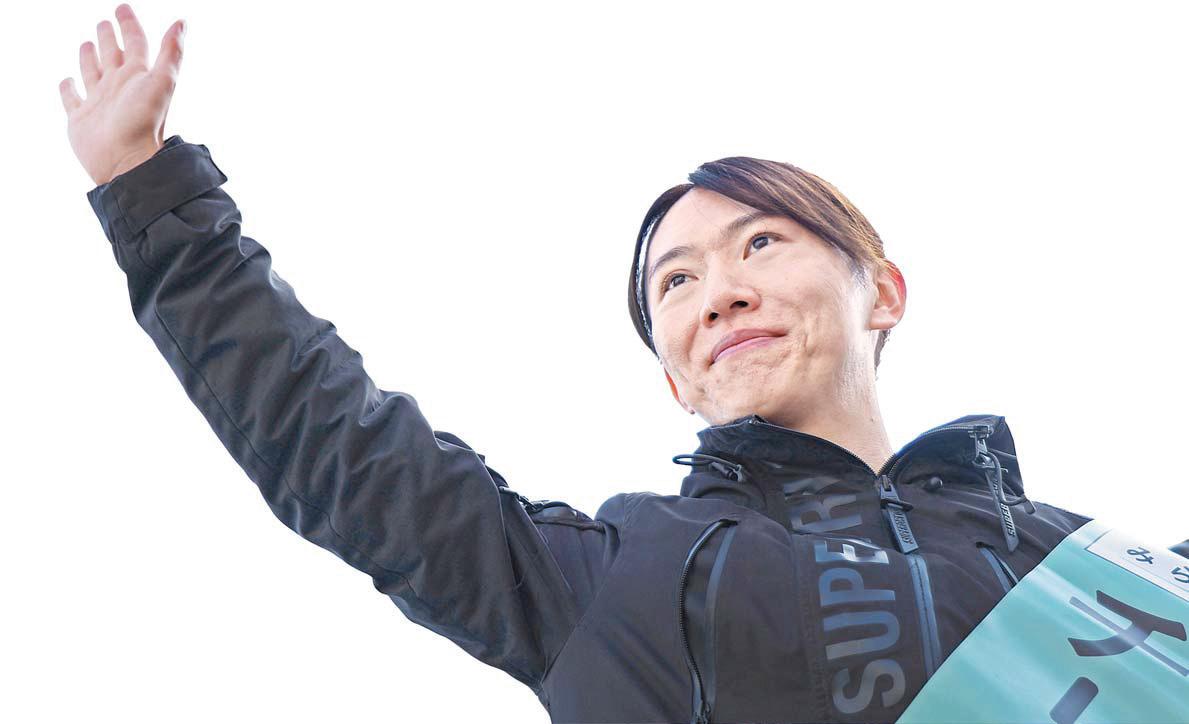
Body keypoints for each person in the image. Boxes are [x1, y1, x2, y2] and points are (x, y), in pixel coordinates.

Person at [61, 6, 1188, 723]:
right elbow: (342, 449)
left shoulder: (1101, 569)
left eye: (759, 244)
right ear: (676, 378)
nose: (720, 293)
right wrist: (150, 195)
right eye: (675, 284)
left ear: (881, 292)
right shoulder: (611, 579)